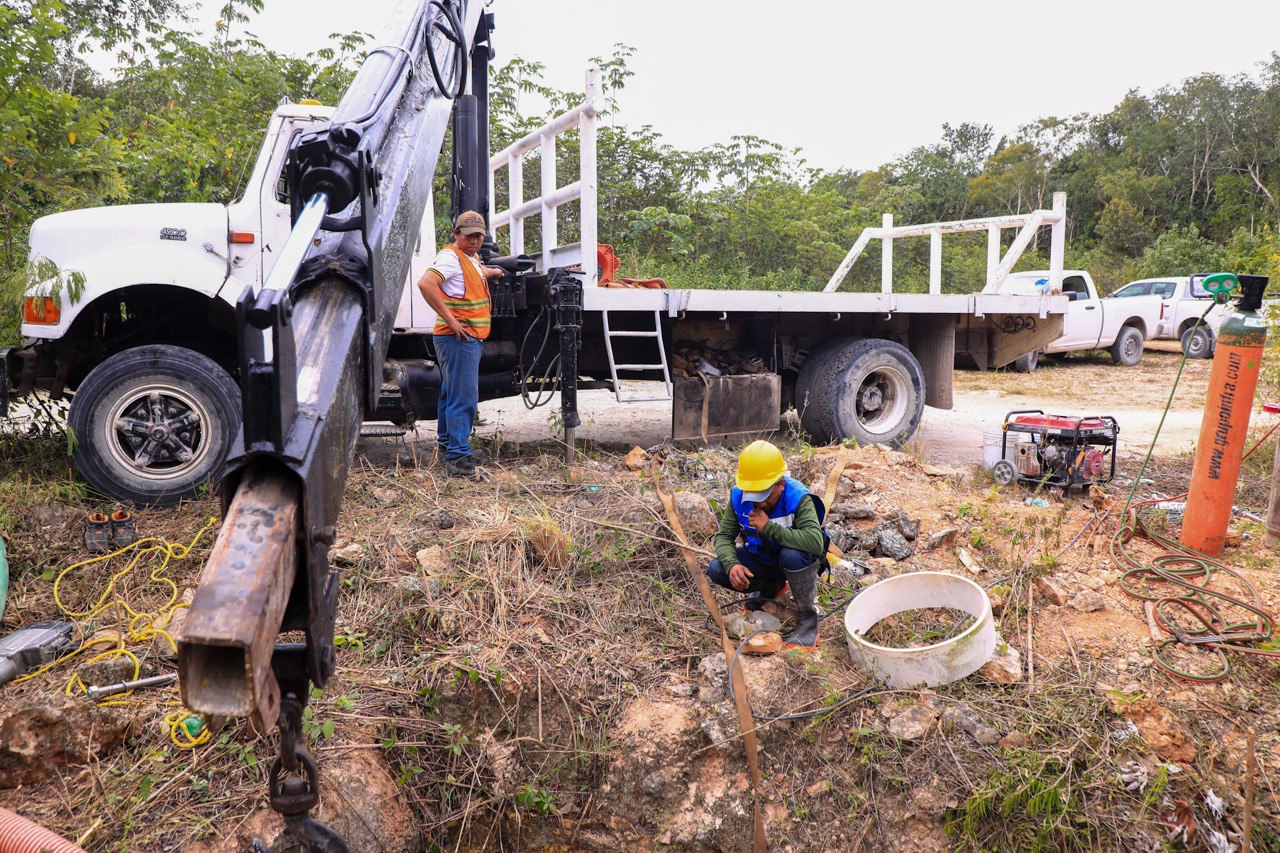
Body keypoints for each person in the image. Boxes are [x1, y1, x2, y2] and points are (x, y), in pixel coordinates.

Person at [706, 440, 828, 650]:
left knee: (792, 555)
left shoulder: (797, 497)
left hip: (792, 561)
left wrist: (770, 529)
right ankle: (771, 587)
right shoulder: (738, 496)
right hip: (763, 558)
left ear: (781, 483)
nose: (759, 503)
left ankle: (807, 620)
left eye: (765, 495)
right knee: (717, 569)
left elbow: (815, 543)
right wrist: (732, 564)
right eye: (754, 495)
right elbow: (724, 536)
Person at [416, 211, 505, 478]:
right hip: (459, 338)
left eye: (480, 236)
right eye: (469, 236)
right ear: (456, 234)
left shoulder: (470, 258)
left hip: (461, 339)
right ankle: (457, 458)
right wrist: (452, 320)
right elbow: (426, 283)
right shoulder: (450, 258)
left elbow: (474, 270)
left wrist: (491, 272)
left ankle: (448, 447)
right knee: (463, 397)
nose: (475, 241)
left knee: (450, 394)